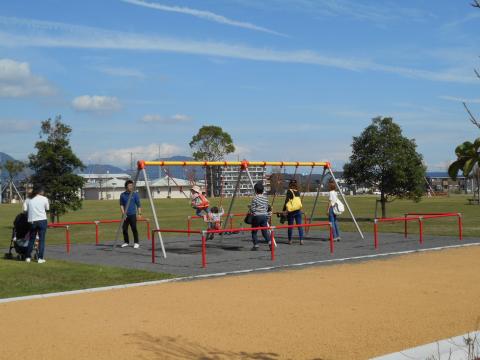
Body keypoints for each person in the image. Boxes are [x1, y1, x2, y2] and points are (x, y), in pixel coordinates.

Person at [24, 186, 49, 263]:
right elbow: (47, 208)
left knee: (31, 239)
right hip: (42, 220)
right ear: (40, 191)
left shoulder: (28, 199)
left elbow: (25, 210)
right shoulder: (44, 198)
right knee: (41, 240)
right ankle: (40, 258)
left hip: (32, 221)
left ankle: (28, 257)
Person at [120, 180, 142, 249]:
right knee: (124, 229)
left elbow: (138, 205)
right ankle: (126, 242)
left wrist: (139, 213)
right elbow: (121, 205)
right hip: (125, 215)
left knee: (134, 229)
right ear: (126, 186)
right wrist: (123, 214)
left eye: (132, 185)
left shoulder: (135, 194)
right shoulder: (122, 195)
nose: (131, 187)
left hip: (132, 215)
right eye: (130, 185)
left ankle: (136, 242)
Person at [250, 181, 271, 251]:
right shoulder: (265, 198)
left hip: (257, 216)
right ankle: (270, 242)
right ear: (263, 190)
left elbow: (253, 209)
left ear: (255, 190)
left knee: (254, 231)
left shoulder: (255, 198)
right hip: (264, 216)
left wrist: (250, 208)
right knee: (264, 231)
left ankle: (256, 245)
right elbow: (266, 207)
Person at [283, 179, 304, 245]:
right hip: (298, 210)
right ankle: (301, 240)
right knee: (299, 225)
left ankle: (290, 240)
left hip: (291, 211)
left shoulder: (289, 191)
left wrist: (284, 210)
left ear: (290, 184)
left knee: (290, 226)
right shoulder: (297, 191)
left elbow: (286, 201)